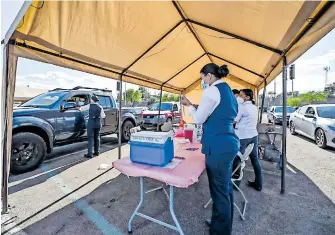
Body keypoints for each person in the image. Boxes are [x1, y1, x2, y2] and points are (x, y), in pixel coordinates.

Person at [181, 63, 239, 235]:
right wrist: (193, 105)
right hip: (228, 143)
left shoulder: (211, 91)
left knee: (219, 191)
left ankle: (220, 231)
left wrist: (189, 106)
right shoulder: (227, 90)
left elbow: (199, 119)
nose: (202, 82)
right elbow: (219, 113)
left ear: (209, 76)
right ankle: (220, 223)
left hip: (218, 146)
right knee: (225, 188)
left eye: (202, 78)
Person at [234, 89, 263, 191]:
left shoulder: (242, 107)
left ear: (247, 97)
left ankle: (235, 183)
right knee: (255, 159)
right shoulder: (254, 107)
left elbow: (234, 120)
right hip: (253, 135)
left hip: (243, 136)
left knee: (238, 159)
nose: (238, 97)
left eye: (241, 95)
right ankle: (259, 184)